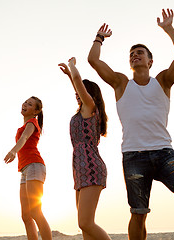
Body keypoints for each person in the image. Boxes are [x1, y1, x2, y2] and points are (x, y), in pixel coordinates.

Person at [88, 9, 174, 240]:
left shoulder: (163, 80)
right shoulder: (120, 83)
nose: (134, 55)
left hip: (164, 152)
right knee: (138, 214)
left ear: (150, 61)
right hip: (134, 156)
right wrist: (99, 38)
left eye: (139, 53)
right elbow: (93, 60)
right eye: (131, 54)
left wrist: (168, 28)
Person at [59, 57, 110, 240]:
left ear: (91, 95)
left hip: (91, 166)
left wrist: (73, 67)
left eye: (81, 91)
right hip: (79, 169)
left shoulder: (90, 108)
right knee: (85, 227)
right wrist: (69, 77)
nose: (77, 93)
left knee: (85, 223)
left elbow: (80, 84)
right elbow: (78, 86)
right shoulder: (82, 110)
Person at [4, 96, 52, 240]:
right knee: (26, 215)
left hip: (34, 166)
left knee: (36, 212)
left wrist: (13, 151)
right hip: (25, 169)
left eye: (30, 104)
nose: (25, 105)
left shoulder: (32, 123)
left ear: (35, 111)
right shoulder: (26, 124)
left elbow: (24, 138)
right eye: (25, 102)